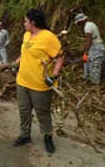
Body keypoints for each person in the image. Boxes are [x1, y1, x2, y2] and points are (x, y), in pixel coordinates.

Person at [12, 9, 65, 153]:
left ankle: (47, 138)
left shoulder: (48, 37)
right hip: (22, 81)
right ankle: (25, 135)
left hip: (40, 85)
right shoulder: (27, 35)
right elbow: (24, 53)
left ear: (33, 22)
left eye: (25, 21)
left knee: (42, 112)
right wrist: (16, 63)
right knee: (24, 110)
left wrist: (54, 75)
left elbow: (60, 56)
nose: (23, 24)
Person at [74, 13, 105, 85]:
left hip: (96, 48)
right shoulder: (91, 24)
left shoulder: (87, 27)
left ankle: (95, 85)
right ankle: (88, 81)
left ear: (81, 21)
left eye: (78, 23)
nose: (78, 24)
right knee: (89, 65)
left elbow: (89, 39)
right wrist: (86, 50)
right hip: (96, 47)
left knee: (95, 68)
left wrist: (86, 52)